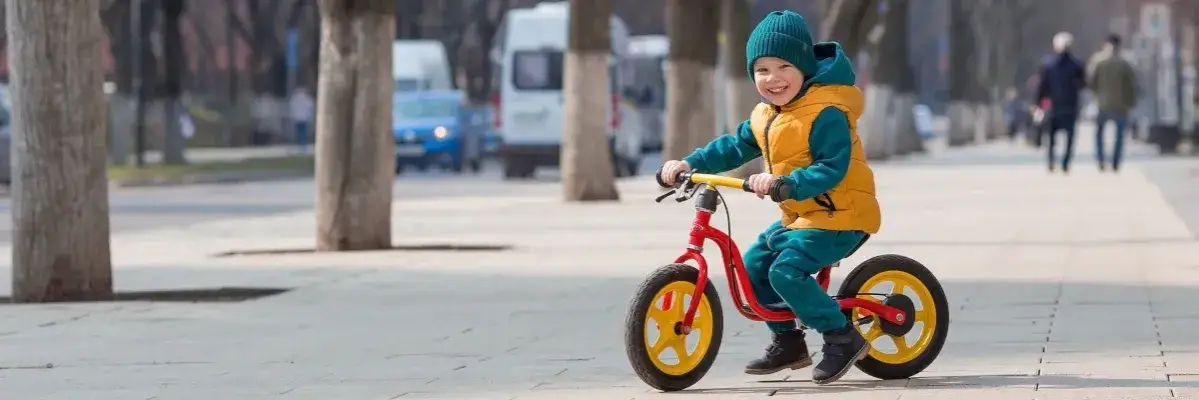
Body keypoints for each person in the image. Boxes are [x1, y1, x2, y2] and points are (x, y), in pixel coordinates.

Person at [658, 10, 879, 385]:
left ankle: (842, 335)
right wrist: (689, 162)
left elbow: (832, 168)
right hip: (802, 217)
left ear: (804, 67)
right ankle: (789, 341)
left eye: (783, 67)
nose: (773, 79)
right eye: (762, 70)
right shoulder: (765, 115)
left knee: (785, 272)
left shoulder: (827, 112)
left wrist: (786, 182)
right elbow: (733, 146)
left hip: (841, 215)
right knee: (754, 267)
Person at [1036, 32, 1086, 173]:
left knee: (1051, 136)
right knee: (1069, 137)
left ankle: (1051, 160)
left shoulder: (1047, 64)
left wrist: (1039, 103)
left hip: (1052, 105)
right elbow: (1082, 84)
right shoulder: (1077, 65)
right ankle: (1065, 162)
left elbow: (1042, 86)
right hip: (1070, 105)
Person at [1087, 34, 1138, 172]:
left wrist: (1095, 94)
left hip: (1101, 103)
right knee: (1119, 136)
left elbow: (1090, 81)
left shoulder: (1097, 61)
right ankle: (1115, 161)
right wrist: (1131, 103)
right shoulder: (1124, 63)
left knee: (1099, 133)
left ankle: (1100, 159)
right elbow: (1131, 85)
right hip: (1120, 105)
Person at [288, 87, 315, 153]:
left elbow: (292, 107)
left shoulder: (295, 98)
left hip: (297, 118)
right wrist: (310, 117)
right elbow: (310, 107)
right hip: (304, 118)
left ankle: (299, 145)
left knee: (298, 132)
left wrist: (292, 116)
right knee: (303, 132)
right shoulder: (307, 98)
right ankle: (303, 145)